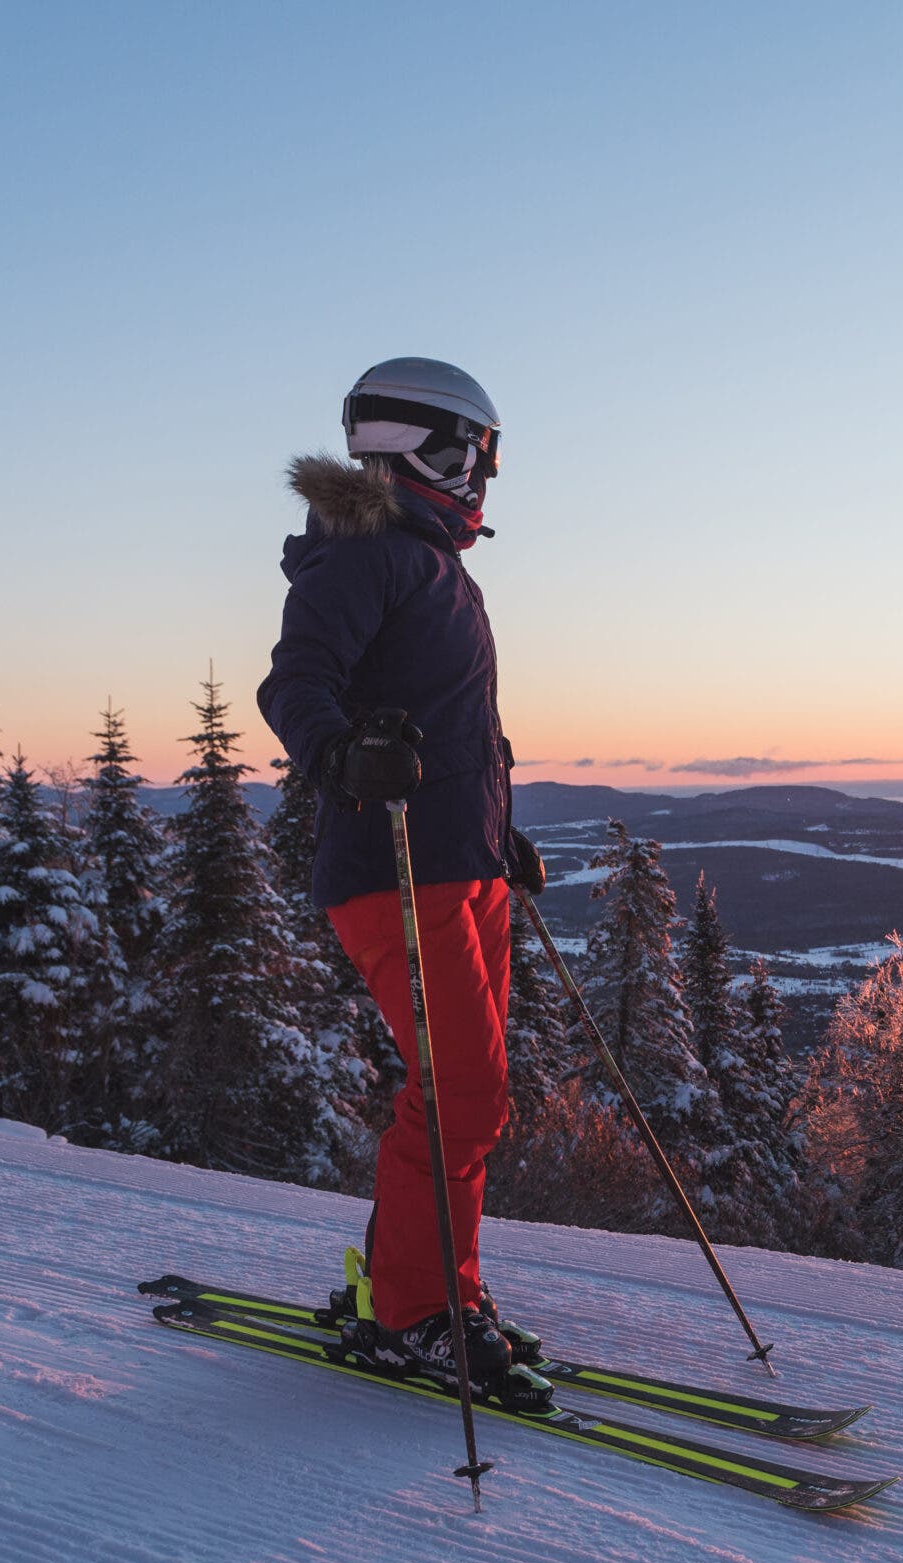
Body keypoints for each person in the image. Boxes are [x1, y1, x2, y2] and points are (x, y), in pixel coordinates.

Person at [257, 358, 551, 1402]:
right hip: (394, 868)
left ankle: (428, 1290)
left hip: (459, 863)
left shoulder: (431, 565)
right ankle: (414, 1313)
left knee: (465, 1097)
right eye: (480, 455)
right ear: (438, 448)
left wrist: (495, 831)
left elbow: (452, 726)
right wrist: (335, 755)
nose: (484, 477)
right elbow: (296, 681)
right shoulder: (367, 553)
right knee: (462, 1093)